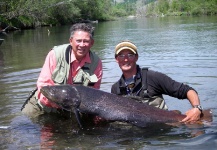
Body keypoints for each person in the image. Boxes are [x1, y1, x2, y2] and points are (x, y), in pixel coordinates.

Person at [21, 23, 103, 117]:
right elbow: (43, 85)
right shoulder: (55, 55)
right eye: (78, 41)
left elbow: (93, 91)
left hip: (72, 109)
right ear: (71, 41)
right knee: (25, 124)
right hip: (42, 106)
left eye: (86, 41)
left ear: (92, 43)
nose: (82, 45)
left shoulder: (96, 63)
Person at [111, 40, 202, 123]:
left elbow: (188, 90)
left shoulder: (153, 77)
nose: (126, 59)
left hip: (160, 134)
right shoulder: (116, 88)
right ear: (116, 59)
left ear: (136, 57)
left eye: (130, 55)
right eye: (121, 55)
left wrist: (197, 108)